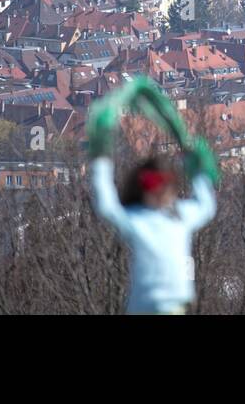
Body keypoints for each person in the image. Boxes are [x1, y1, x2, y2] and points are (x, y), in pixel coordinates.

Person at [87, 97, 219, 314]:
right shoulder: (146, 218)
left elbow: (107, 204)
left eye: (163, 183)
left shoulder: (164, 217)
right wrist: (198, 168)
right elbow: (206, 205)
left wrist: (100, 154)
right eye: (153, 184)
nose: (160, 190)